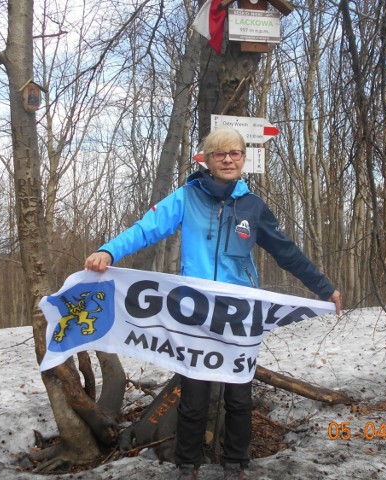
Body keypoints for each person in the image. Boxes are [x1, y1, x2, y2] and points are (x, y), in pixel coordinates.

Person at [85, 127, 341, 480]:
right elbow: (147, 228)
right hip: (195, 312)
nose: (227, 159)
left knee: (239, 398)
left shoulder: (253, 206)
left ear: (243, 159)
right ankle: (187, 465)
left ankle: (237, 463)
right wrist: (108, 250)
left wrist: (323, 287)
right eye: (219, 153)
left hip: (239, 315)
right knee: (194, 396)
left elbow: (286, 252)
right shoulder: (186, 197)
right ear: (205, 159)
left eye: (234, 153)